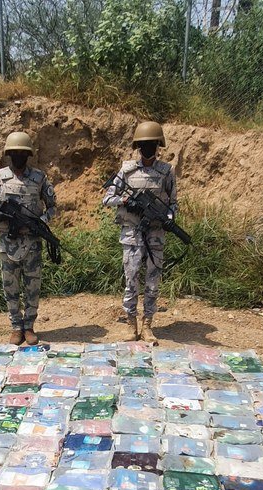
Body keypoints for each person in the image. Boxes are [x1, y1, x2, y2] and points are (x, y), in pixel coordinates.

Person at [0, 131, 56, 345]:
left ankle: (29, 326)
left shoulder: (39, 178)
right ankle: (16, 327)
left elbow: (53, 207)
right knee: (10, 286)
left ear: (28, 155)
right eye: (14, 153)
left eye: (22, 153)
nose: (18, 156)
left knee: (33, 287)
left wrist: (41, 222)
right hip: (7, 242)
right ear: (9, 154)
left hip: (32, 242)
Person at [103, 121, 177, 345]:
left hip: (155, 234)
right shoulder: (127, 171)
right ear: (138, 146)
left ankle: (148, 325)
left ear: (158, 146)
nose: (148, 148)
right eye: (144, 144)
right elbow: (107, 198)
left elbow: (173, 203)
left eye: (152, 144)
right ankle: (130, 324)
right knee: (131, 280)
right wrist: (126, 200)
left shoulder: (166, 172)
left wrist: (168, 219)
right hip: (132, 234)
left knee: (153, 282)